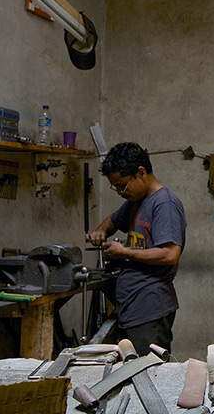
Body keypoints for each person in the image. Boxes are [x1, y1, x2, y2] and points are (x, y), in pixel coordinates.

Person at [86, 142, 186, 355]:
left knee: (149, 374)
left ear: (141, 173)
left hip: (150, 308)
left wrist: (124, 252)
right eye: (116, 187)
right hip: (133, 306)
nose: (120, 192)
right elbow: (112, 220)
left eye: (122, 185)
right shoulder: (136, 201)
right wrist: (101, 231)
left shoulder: (164, 204)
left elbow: (170, 253)